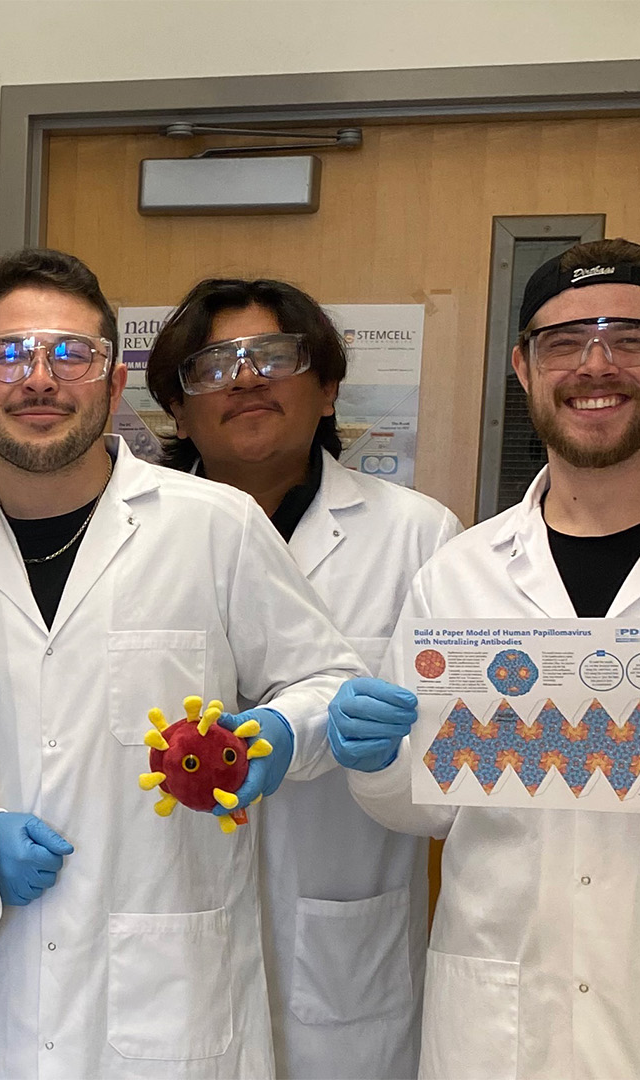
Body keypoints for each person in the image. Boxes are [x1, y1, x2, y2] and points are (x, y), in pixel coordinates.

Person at [0, 248, 363, 1077]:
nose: (39, 379)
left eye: (72, 354)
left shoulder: (214, 528)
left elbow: (325, 683)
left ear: (114, 385)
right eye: (9, 355)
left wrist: (276, 732)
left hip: (168, 1000)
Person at [330, 238, 640, 1078]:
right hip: (502, 1029)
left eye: (629, 339)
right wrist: (379, 759)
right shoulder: (460, 572)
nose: (594, 365)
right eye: (563, 343)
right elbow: (421, 808)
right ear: (523, 369)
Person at [145, 277, 461, 1079]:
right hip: (166, 924)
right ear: (177, 412)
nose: (246, 378)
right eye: (212, 365)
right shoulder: (135, 545)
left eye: (274, 357)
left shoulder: (418, 537)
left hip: (342, 932)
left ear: (326, 390)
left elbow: (457, 749)